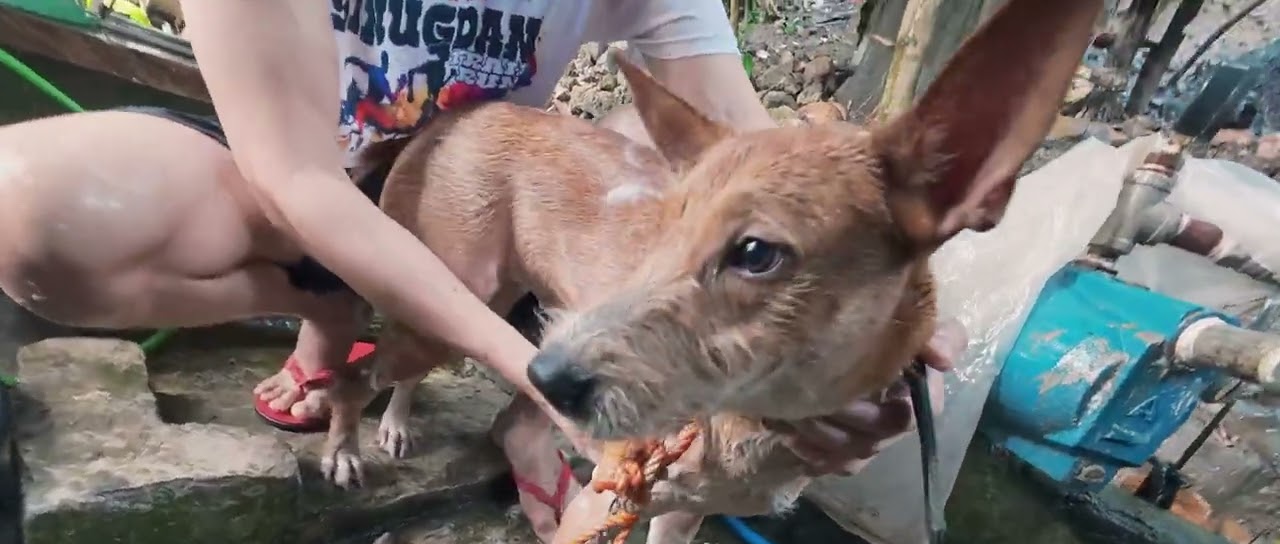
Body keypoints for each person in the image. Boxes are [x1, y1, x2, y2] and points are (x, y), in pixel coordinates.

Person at [0, 0, 965, 484]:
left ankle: (414, 344)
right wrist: (540, 369)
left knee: (663, 163)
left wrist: (878, 305)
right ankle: (323, 308)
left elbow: (749, 152)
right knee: (33, 208)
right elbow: (298, 180)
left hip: (464, 175)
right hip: (273, 180)